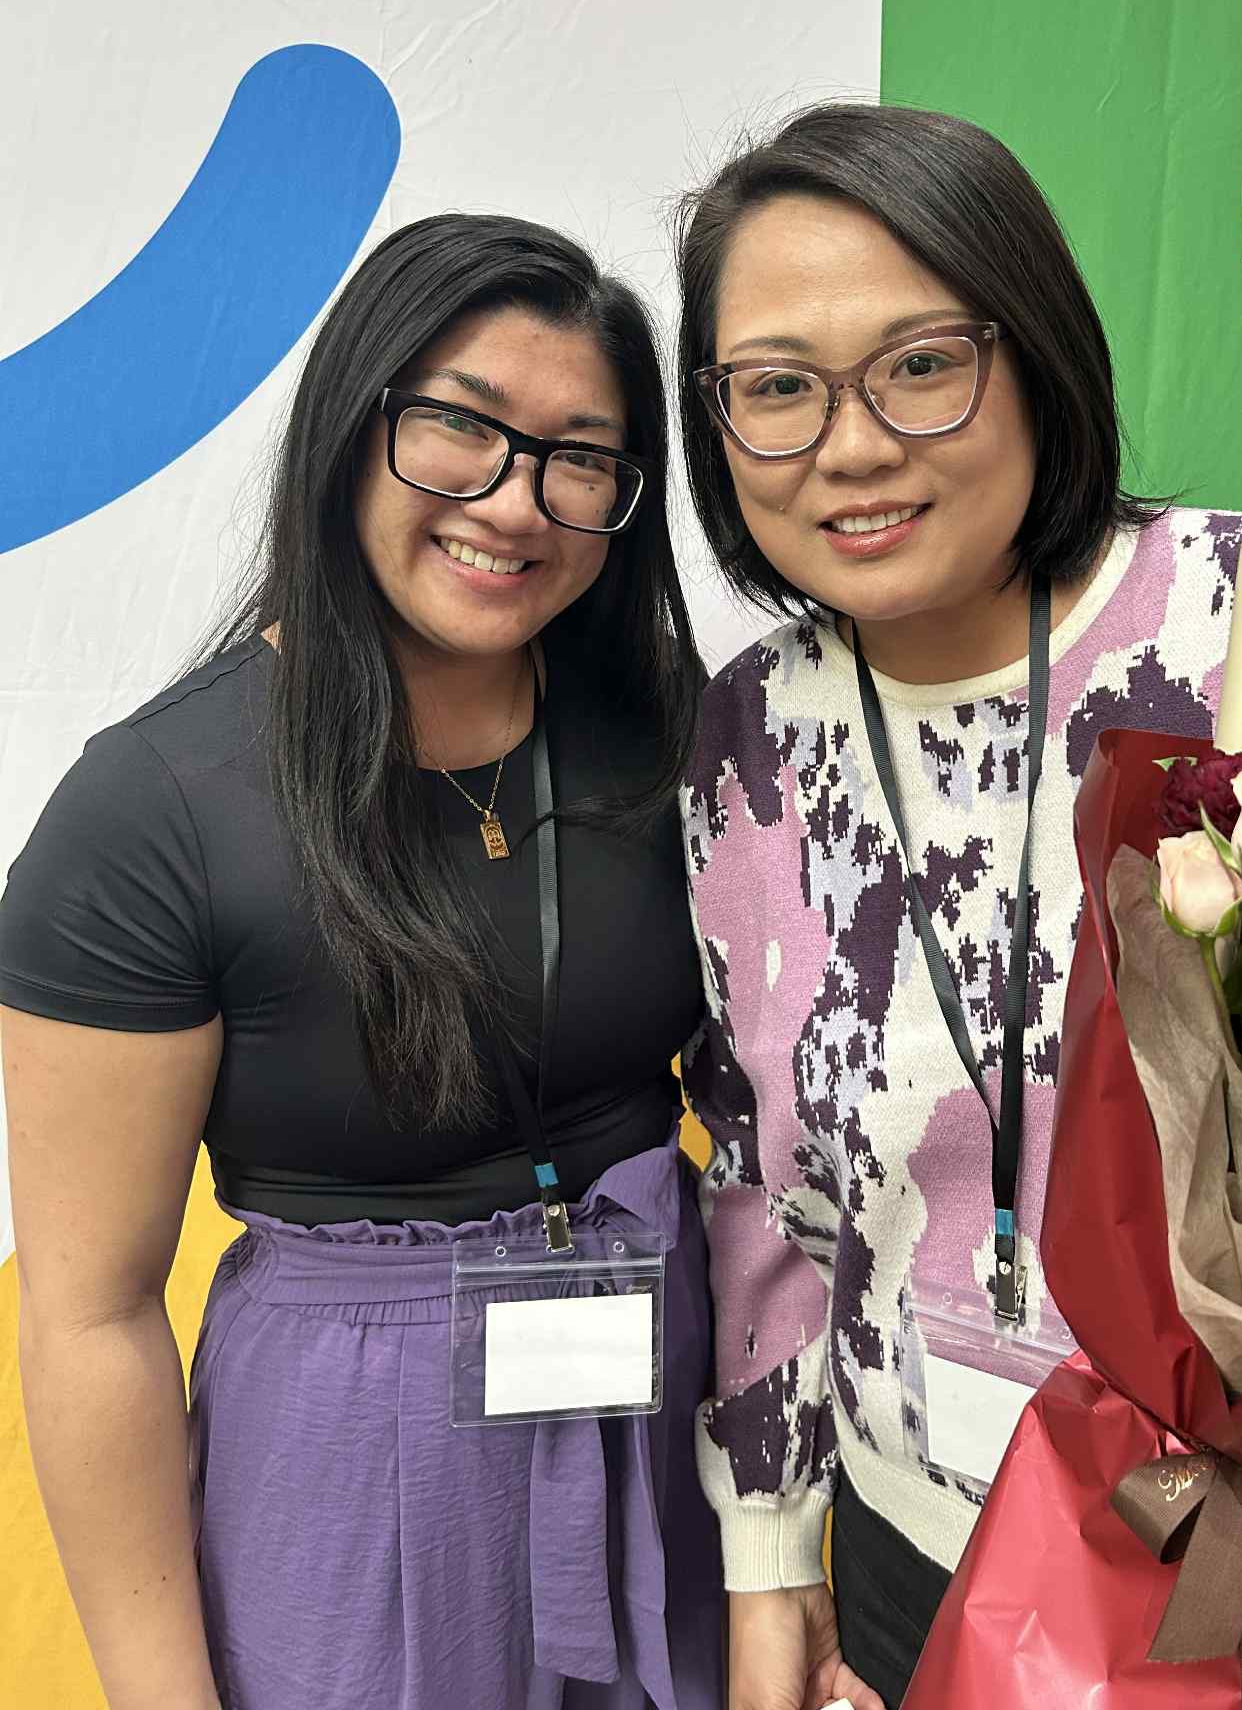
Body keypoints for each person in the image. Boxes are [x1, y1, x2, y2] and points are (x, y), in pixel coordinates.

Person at [671, 104, 1242, 1710]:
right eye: (775, 389)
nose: (851, 445)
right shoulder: (752, 732)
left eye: (920, 363)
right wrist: (772, 1563)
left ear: (1035, 354)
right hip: (914, 1559)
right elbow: (767, 1182)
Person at [0, 215, 723, 1710]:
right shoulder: (153, 809)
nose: (512, 504)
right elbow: (89, 1311)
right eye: (459, 427)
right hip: (349, 1468)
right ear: (353, 424)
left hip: (655, 1422)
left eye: (578, 457)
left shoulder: (658, 732)